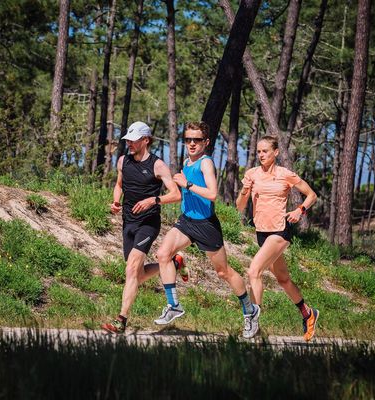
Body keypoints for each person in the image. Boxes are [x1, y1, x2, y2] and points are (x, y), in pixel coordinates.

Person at [154, 121, 259, 338]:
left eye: (197, 140)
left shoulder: (206, 163)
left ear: (206, 142)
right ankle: (174, 305)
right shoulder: (186, 162)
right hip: (186, 222)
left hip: (206, 225)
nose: (192, 144)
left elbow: (213, 194)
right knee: (163, 254)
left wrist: (187, 185)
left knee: (223, 272)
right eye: (188, 139)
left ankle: (250, 310)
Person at [101, 121, 188, 334]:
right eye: (128, 140)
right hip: (128, 222)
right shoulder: (123, 161)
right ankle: (175, 263)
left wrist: (153, 201)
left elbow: (176, 194)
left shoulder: (158, 165)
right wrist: (115, 202)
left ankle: (121, 320)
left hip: (148, 224)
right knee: (137, 275)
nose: (129, 143)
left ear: (146, 140)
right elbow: (119, 184)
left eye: (134, 140)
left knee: (130, 270)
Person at [236, 135, 319, 341]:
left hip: (280, 231)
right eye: (258, 151)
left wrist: (300, 210)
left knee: (254, 270)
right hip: (262, 233)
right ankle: (308, 313)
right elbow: (239, 206)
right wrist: (245, 190)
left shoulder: (285, 174)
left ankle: (253, 319)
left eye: (265, 151)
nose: (261, 155)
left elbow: (312, 195)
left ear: (276, 153)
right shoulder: (252, 174)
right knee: (283, 279)